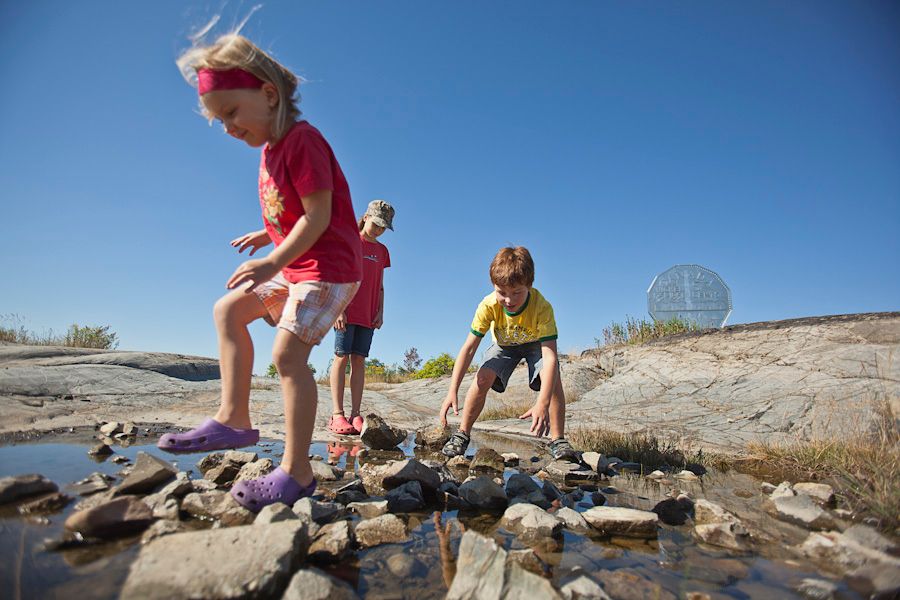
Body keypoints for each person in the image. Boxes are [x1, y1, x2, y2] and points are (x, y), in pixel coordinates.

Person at [158, 33, 363, 512]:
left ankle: (297, 470)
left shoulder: (302, 141)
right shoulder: (270, 152)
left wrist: (272, 258)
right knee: (228, 310)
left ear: (269, 94)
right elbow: (294, 215)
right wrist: (266, 236)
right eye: (217, 119)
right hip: (296, 264)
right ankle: (234, 418)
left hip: (328, 269)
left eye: (230, 112)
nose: (226, 127)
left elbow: (318, 217)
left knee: (288, 355)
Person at [438, 247, 577, 461]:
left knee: (552, 377)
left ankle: (558, 439)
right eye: (502, 292)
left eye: (517, 293)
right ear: (494, 286)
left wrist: (542, 402)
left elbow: (549, 357)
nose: (509, 301)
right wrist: (452, 390)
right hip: (504, 344)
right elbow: (469, 348)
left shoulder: (542, 307)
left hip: (534, 345)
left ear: (529, 286)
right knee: (483, 377)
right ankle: (462, 434)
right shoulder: (488, 305)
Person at [328, 200, 394, 435]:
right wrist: (337, 308)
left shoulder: (383, 251)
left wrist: (380, 310)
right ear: (366, 217)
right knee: (341, 357)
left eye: (383, 227)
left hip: (368, 313)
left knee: (359, 360)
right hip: (345, 310)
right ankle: (337, 415)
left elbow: (381, 286)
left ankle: (356, 414)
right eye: (375, 224)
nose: (378, 229)